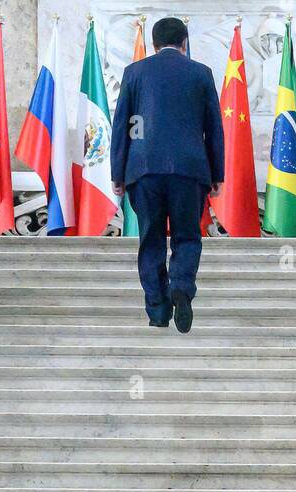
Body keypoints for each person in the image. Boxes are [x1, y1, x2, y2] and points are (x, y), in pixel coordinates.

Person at [110, 15, 224, 332]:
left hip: (144, 170)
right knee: (187, 235)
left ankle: (158, 311)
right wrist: (217, 173)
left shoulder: (134, 73)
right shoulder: (201, 74)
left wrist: (118, 172)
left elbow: (125, 126)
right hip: (190, 171)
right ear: (185, 43)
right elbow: (213, 128)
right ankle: (182, 288)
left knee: (151, 239)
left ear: (154, 44)